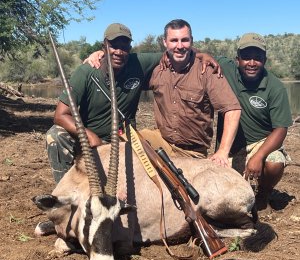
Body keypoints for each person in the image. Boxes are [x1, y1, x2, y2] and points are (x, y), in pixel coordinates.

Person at [47, 22, 220, 183]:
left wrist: (200, 54)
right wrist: (89, 135)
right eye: (113, 46)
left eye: (124, 47)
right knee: (56, 135)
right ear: (104, 46)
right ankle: (63, 193)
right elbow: (60, 115)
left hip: (123, 138)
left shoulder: (138, 63)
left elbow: (177, 50)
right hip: (89, 138)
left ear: (130, 48)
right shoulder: (86, 72)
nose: (119, 52)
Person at [86, 19, 241, 166]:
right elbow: (123, 67)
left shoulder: (206, 70)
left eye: (184, 40)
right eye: (174, 40)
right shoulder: (157, 69)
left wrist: (223, 151)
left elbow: (232, 110)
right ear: (165, 42)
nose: (179, 46)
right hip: (161, 141)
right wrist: (102, 54)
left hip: (191, 152)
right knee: (119, 146)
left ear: (191, 41)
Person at [216, 33, 293, 211]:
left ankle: (263, 193)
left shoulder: (275, 87)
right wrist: (202, 55)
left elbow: (281, 129)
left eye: (257, 58)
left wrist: (258, 157)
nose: (252, 63)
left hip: (260, 143)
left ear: (264, 60)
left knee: (275, 163)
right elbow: (196, 55)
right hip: (231, 145)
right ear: (237, 59)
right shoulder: (227, 69)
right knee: (226, 196)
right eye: (246, 57)